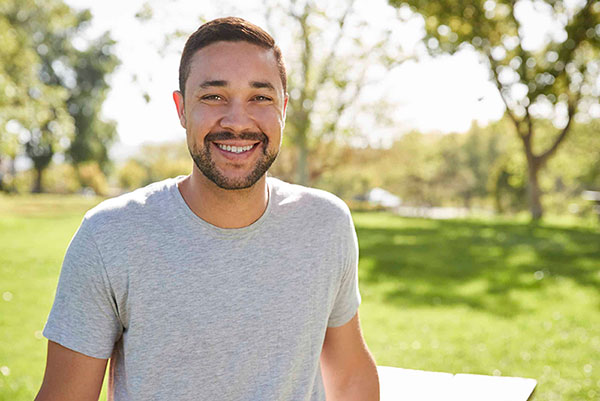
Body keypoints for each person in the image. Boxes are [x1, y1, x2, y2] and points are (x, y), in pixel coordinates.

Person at [35, 17, 379, 401]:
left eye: (260, 97)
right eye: (213, 96)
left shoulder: (325, 224)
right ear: (181, 109)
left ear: (282, 108)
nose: (237, 121)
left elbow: (349, 377)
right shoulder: (110, 236)